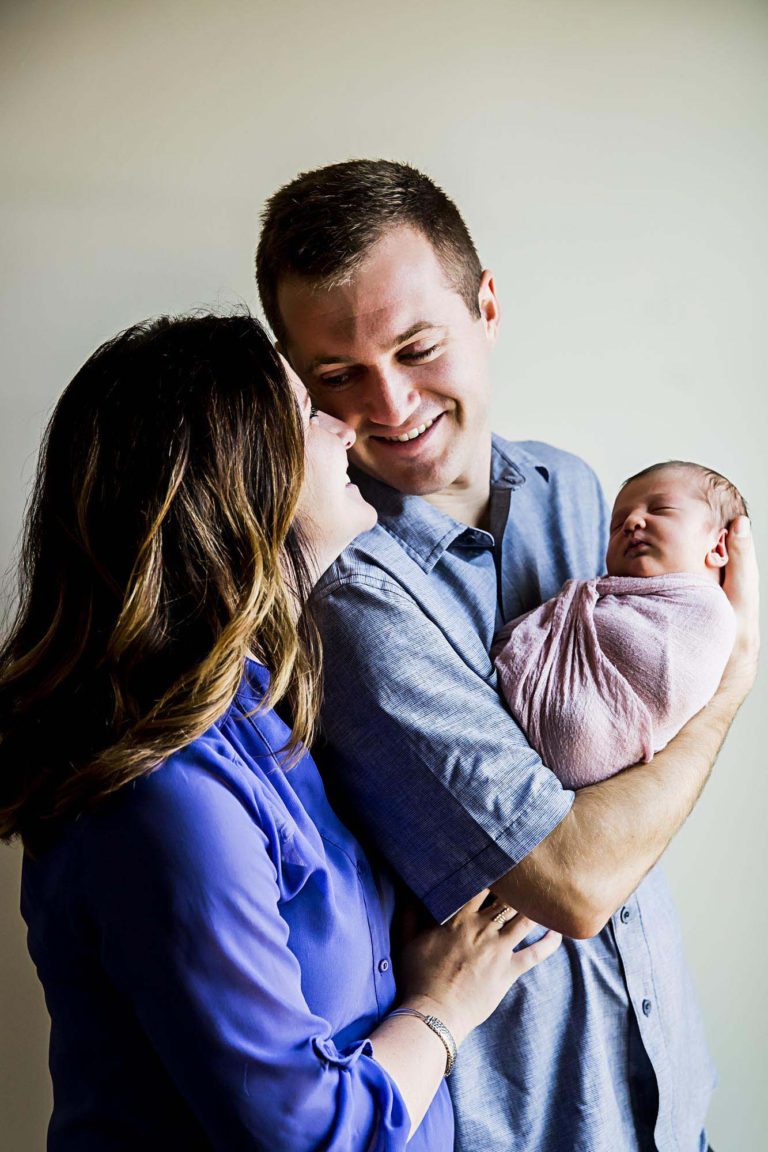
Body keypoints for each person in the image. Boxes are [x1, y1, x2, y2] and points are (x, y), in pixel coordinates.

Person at [256, 159, 759, 1152]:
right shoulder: (339, 595)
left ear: (486, 307)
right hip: (521, 1126)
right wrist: (734, 681)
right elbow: (573, 884)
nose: (391, 405)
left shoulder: (581, 492)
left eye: (417, 347)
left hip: (672, 1105)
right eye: (338, 375)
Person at [0, 314, 562, 1151]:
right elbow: (307, 1134)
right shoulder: (163, 792)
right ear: (231, 479)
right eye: (308, 412)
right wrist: (442, 1009)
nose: (346, 426)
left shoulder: (271, 715)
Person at [494, 460, 744, 788]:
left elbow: (652, 661)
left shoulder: (707, 612)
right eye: (616, 525)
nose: (632, 522)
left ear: (719, 545)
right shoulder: (603, 597)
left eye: (661, 509)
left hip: (591, 732)